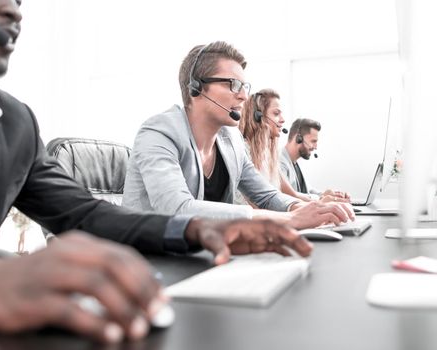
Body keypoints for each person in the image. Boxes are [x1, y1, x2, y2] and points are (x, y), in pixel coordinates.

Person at [0, 0, 314, 344]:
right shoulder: (160, 131)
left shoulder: (12, 122)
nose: (14, 10)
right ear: (196, 87)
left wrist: (196, 229)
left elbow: (84, 214)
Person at [122, 41, 354, 228]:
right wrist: (290, 220)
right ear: (196, 87)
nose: (243, 96)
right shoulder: (158, 132)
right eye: (233, 84)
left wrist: (299, 208)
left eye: (245, 86)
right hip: (148, 263)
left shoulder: (231, 140)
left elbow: (266, 196)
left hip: (203, 254)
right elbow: (176, 209)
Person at [237, 89, 345, 204]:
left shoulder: (268, 156)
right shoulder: (243, 152)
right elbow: (257, 205)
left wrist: (321, 201)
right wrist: (317, 204)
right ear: (258, 116)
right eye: (276, 113)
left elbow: (291, 195)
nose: (282, 119)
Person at [281, 118, 350, 201]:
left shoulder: (294, 163)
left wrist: (327, 194)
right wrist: (321, 198)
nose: (316, 147)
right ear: (298, 138)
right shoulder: (280, 162)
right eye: (313, 141)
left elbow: (308, 191)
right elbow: (287, 196)